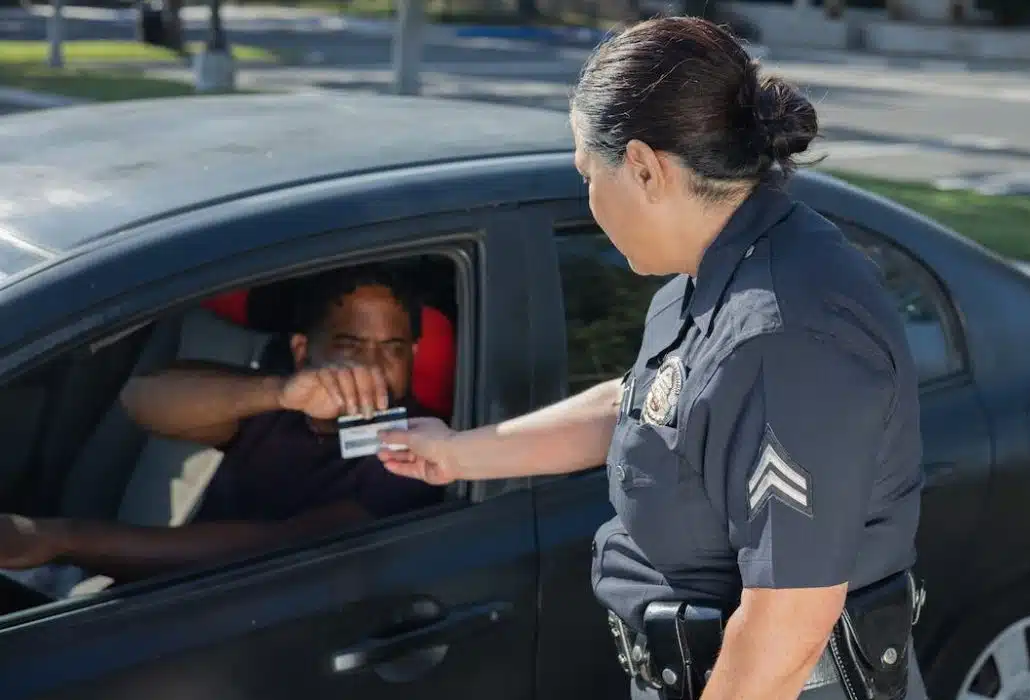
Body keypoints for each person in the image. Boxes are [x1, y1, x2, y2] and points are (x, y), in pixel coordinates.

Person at [376, 17, 928, 700]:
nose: (588, 199)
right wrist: (461, 454)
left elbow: (787, 624)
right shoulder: (713, 275)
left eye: (587, 174)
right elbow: (649, 404)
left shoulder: (782, 336)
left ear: (643, 167)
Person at [0, 265, 443, 593]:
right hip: (159, 598)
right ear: (303, 350)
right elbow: (142, 400)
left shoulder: (417, 445)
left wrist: (60, 538)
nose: (370, 366)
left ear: (414, 355)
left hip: (242, 621)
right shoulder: (284, 399)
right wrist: (281, 392)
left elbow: (281, 546)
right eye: (350, 346)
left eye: (393, 349)